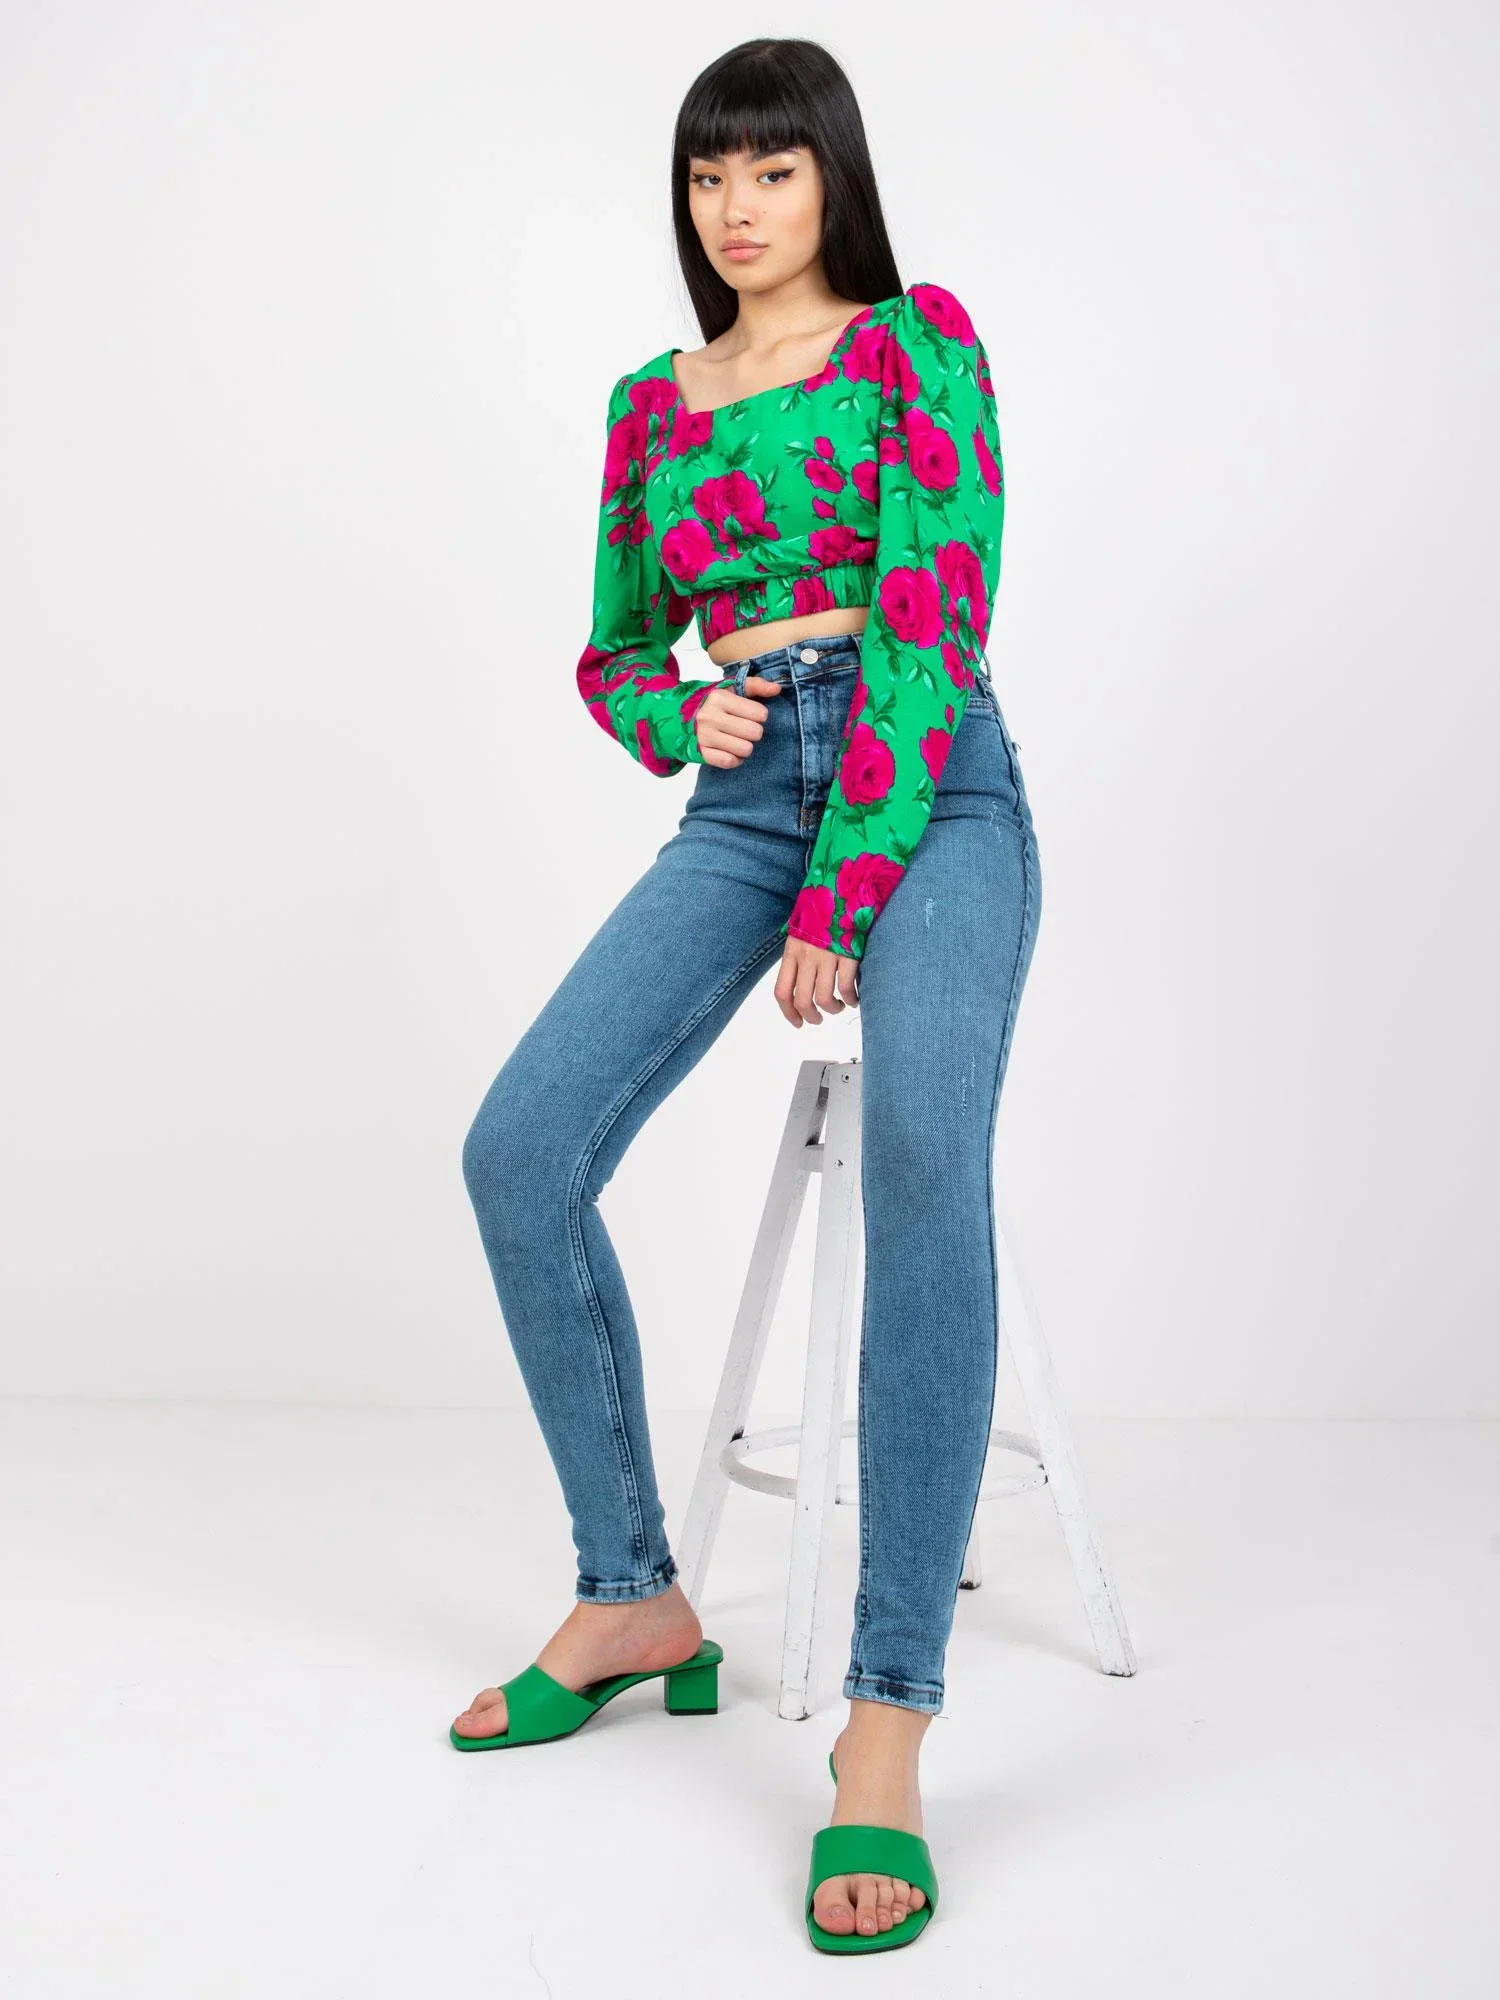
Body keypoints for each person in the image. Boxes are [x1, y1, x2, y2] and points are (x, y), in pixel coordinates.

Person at [452, 36, 1041, 1956]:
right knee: (519, 1150)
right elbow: (617, 644)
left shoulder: (916, 345)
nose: (738, 205)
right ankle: (633, 1594)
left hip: (929, 788)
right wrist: (676, 711)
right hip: (741, 800)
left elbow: (937, 615)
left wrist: (850, 888)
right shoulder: (654, 403)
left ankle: (887, 1721)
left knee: (927, 1154)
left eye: (774, 170)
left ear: (832, 180)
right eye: (711, 174)